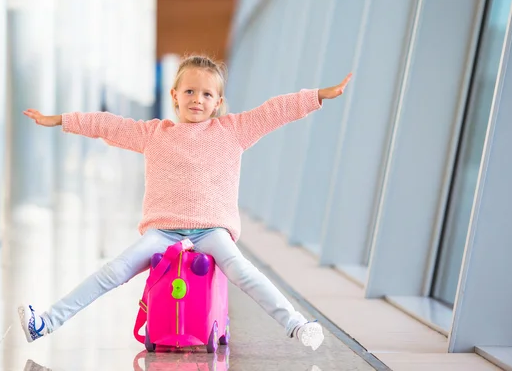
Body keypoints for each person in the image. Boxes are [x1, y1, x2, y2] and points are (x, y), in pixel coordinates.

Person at [19, 54, 352, 351]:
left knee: (243, 272)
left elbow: (274, 111)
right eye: (190, 91)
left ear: (218, 101)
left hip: (212, 231)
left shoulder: (233, 130)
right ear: (174, 95)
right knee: (114, 271)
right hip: (163, 231)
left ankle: (297, 325)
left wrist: (317, 96)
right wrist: (61, 119)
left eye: (207, 94)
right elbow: (108, 125)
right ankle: (45, 323)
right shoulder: (154, 133)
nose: (197, 99)